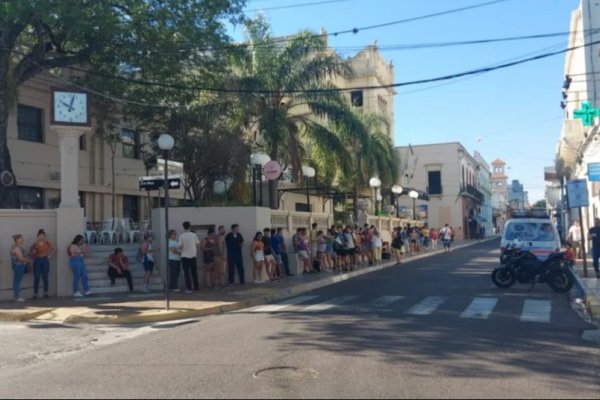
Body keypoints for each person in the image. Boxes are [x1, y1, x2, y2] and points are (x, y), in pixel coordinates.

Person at [30, 229, 55, 299]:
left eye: (43, 236)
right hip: (37, 260)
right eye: (40, 236)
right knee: (37, 277)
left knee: (45, 276)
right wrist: (34, 251)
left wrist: (50, 256)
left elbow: (55, 249)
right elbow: (31, 253)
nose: (41, 237)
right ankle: (35, 294)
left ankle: (46, 293)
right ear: (37, 236)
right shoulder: (35, 244)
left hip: (45, 260)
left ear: (45, 236)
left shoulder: (47, 243)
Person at [179, 221, 200, 293]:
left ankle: (189, 288)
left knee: (186, 273)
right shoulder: (194, 235)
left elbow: (180, 246)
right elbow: (198, 245)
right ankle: (196, 287)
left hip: (184, 256)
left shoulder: (181, 236)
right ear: (190, 226)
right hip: (193, 256)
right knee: (194, 272)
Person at [10, 234, 30, 302]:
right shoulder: (16, 248)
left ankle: (17, 297)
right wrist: (29, 261)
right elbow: (21, 258)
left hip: (18, 266)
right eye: (21, 238)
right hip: (19, 266)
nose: (22, 239)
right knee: (17, 282)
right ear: (17, 240)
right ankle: (17, 297)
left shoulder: (18, 247)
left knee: (17, 282)